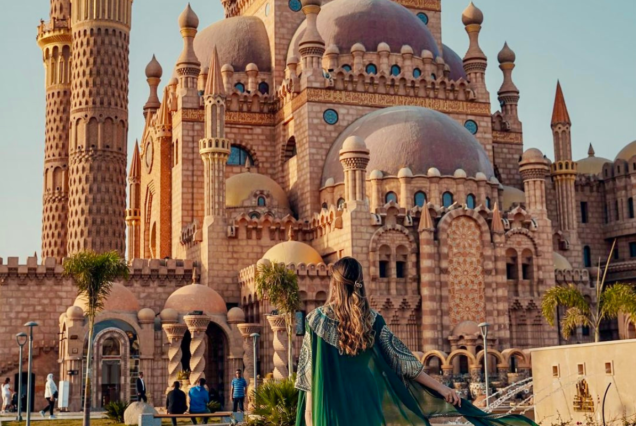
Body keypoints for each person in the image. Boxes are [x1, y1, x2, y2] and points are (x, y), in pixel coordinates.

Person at [295, 257, 538, 426]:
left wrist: (310, 417)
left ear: (333, 283)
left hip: (330, 407)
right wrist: (442, 388)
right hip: (368, 404)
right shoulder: (371, 320)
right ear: (360, 282)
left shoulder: (315, 320)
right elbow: (404, 361)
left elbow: (307, 380)